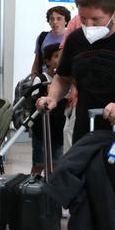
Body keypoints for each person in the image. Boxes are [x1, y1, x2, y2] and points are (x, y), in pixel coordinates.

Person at [38, 0, 115, 144]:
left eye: (96, 19)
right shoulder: (75, 39)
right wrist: (52, 97)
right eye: (83, 19)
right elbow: (63, 77)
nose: (89, 25)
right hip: (86, 128)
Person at [29, 43, 66, 175]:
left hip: (58, 130)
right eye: (56, 57)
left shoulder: (67, 82)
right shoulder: (41, 79)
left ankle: (51, 188)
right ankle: (33, 184)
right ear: (47, 61)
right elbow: (34, 101)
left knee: (56, 163)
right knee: (39, 164)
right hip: (42, 130)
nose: (60, 60)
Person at [30, 6, 71, 78]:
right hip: (45, 79)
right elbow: (37, 61)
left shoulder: (71, 37)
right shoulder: (42, 37)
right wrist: (33, 77)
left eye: (59, 19)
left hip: (65, 79)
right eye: (51, 19)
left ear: (66, 21)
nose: (55, 22)